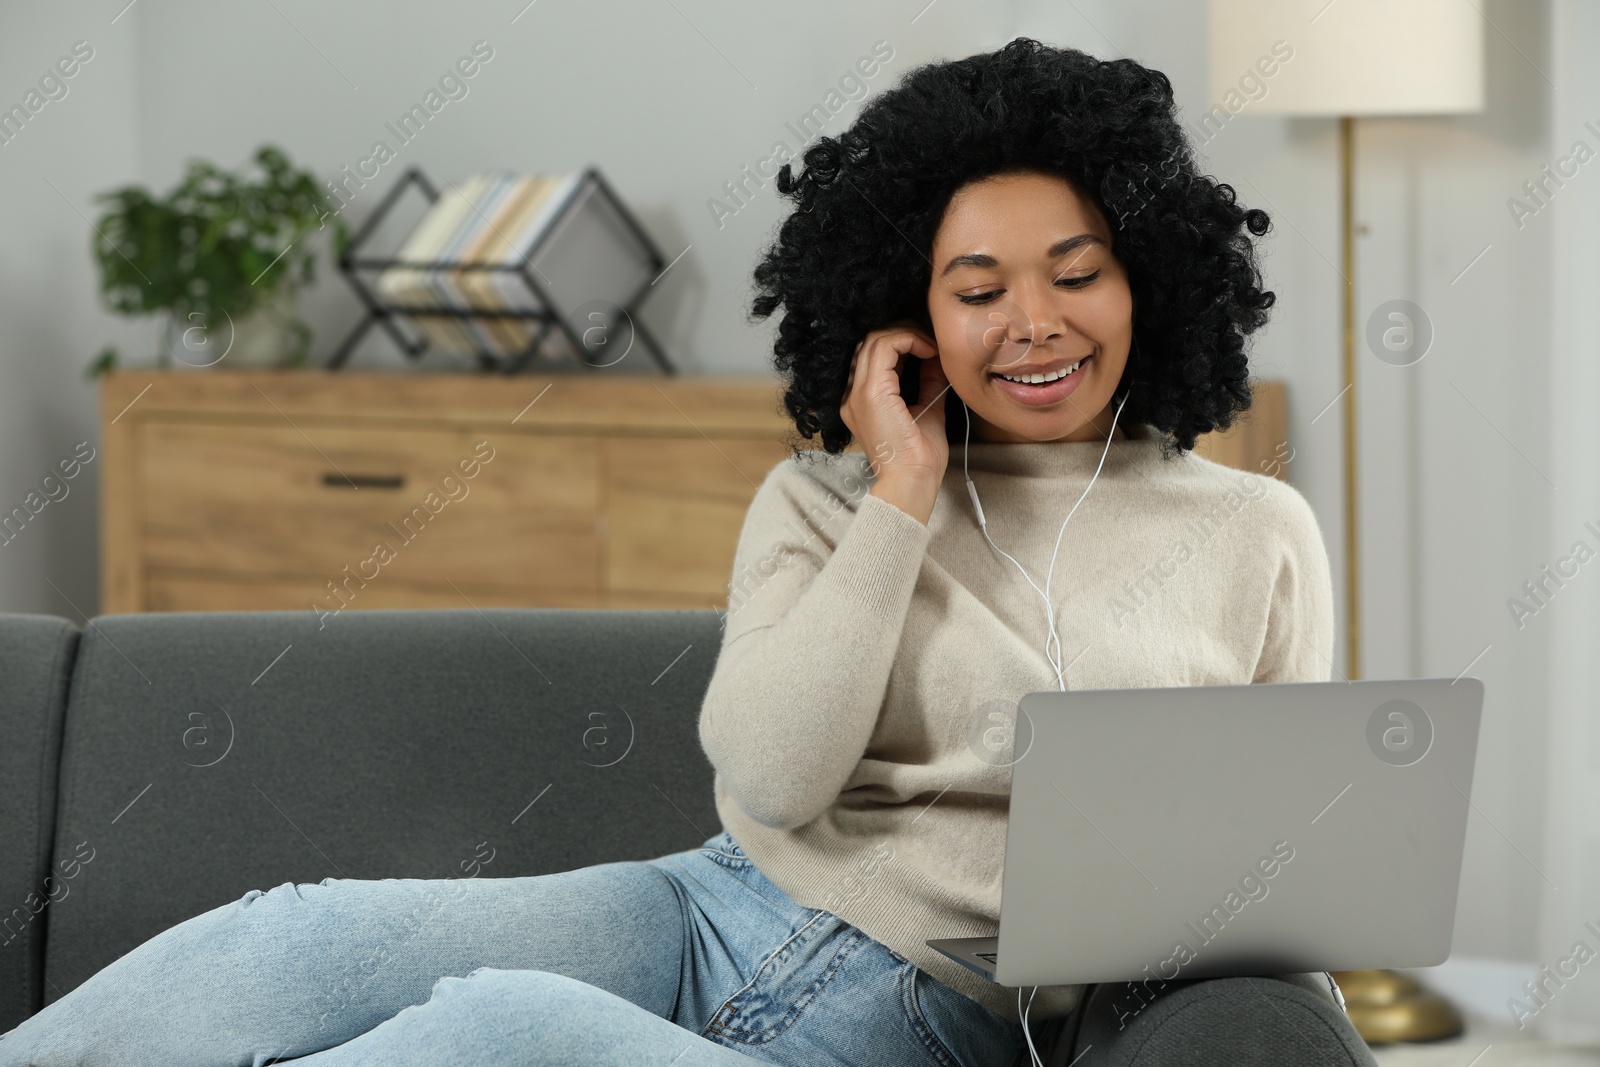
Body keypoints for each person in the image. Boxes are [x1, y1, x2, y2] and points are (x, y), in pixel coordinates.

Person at [0, 37, 1376, 1067]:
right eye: (977, 290)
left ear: (1150, 275)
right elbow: (774, 779)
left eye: (1077, 273)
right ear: (909, 309)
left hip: (930, 1018)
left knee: (507, 1031)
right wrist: (900, 496)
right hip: (705, 906)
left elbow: (1270, 862)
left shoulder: (1256, 533)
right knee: (298, 929)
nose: (1034, 321)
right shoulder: (825, 502)